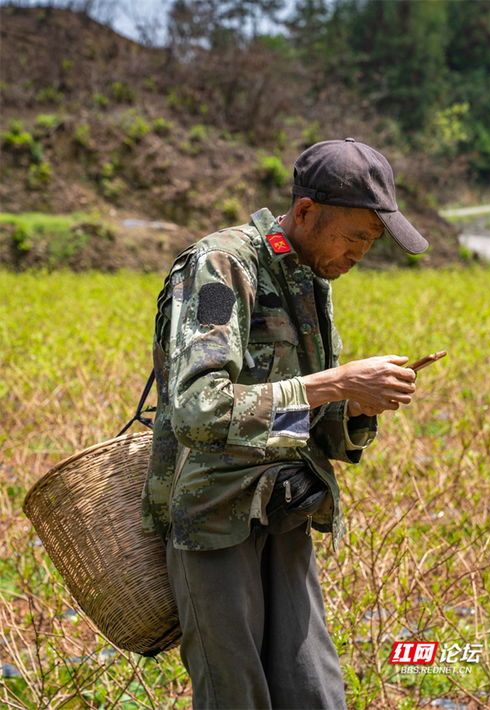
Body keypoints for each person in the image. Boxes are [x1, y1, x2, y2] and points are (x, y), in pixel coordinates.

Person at [141, 138, 428, 709]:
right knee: (237, 696)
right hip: (213, 522)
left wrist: (355, 408)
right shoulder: (221, 265)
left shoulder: (310, 283)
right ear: (304, 212)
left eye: (370, 245)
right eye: (354, 237)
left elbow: (310, 419)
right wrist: (338, 382)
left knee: (313, 692)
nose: (358, 255)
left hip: (285, 511)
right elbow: (201, 408)